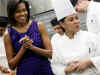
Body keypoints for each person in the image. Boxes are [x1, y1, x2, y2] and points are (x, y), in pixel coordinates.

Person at [5, 0, 54, 75]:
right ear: (12, 14)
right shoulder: (8, 34)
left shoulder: (39, 26)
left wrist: (32, 47)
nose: (22, 14)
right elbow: (11, 66)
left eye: (24, 10)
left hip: (44, 70)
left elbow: (50, 54)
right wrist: (23, 48)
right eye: (18, 11)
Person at [51, 0, 100, 75]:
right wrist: (66, 69)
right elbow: (55, 65)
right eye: (71, 20)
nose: (76, 21)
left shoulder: (90, 37)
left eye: (77, 18)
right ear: (62, 24)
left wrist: (89, 62)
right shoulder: (57, 42)